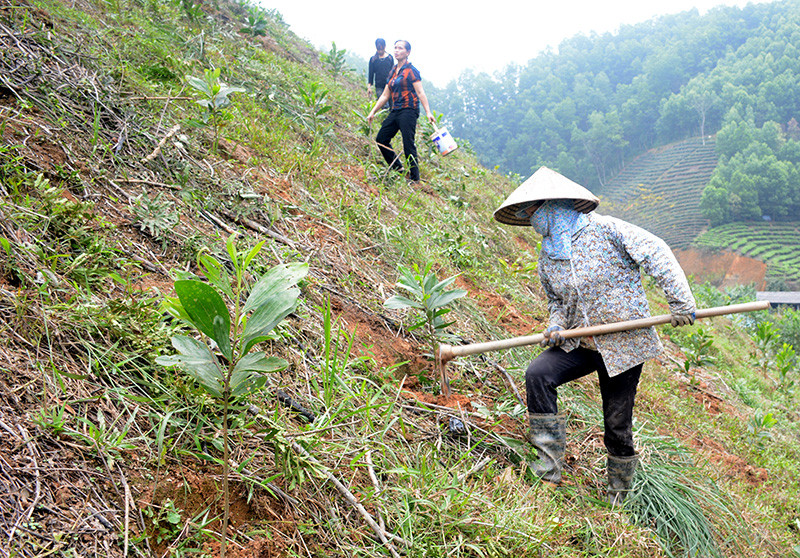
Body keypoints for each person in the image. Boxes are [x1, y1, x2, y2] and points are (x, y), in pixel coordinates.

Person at [493, 166, 697, 505]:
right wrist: (556, 325)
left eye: (533, 210)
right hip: (580, 342)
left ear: (552, 206)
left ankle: (619, 495)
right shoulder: (548, 256)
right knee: (538, 375)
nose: (530, 218)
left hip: (623, 343)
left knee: (617, 424)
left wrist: (680, 302)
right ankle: (548, 470)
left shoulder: (607, 230)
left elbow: (656, 251)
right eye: (527, 212)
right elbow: (556, 301)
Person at [367, 40, 436, 184]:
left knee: (408, 143)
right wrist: (373, 111)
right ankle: (398, 170)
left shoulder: (411, 71)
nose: (396, 50)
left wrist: (428, 112)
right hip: (396, 109)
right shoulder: (393, 71)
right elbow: (385, 95)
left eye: (400, 48)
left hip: (409, 110)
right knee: (381, 138)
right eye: (395, 48)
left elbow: (420, 92)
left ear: (408, 52)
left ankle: (415, 179)